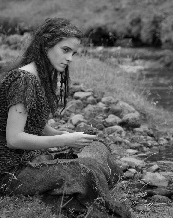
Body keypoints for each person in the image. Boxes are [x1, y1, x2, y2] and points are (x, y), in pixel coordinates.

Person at [0, 18, 131, 217]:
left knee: (97, 148)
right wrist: (64, 140)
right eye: (65, 50)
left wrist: (66, 136)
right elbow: (14, 139)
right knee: (86, 171)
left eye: (73, 53)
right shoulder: (23, 80)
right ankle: (73, 199)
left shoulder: (41, 76)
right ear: (46, 45)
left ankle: (73, 193)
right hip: (10, 171)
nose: (70, 58)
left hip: (31, 158)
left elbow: (36, 124)